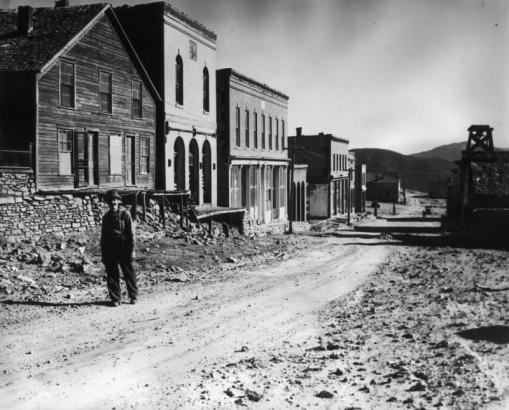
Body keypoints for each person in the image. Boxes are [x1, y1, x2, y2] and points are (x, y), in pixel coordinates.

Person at [101, 190, 138, 307]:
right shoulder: (106, 217)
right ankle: (115, 298)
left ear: (119, 201)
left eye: (116, 199)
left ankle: (133, 295)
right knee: (112, 273)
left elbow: (131, 234)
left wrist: (132, 250)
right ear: (108, 202)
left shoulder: (125, 215)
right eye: (111, 200)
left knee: (128, 271)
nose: (114, 202)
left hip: (124, 246)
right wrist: (104, 253)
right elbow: (104, 236)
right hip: (110, 247)